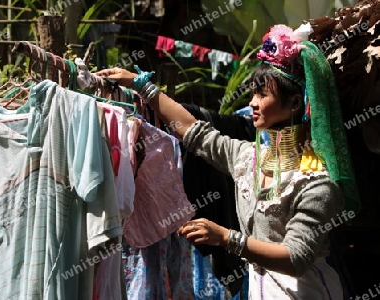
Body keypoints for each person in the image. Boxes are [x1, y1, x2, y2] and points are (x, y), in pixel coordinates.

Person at [96, 23, 361, 299]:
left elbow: (296, 257)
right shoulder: (248, 158)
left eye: (263, 94)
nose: (253, 102)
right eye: (253, 94)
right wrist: (144, 88)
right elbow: (194, 131)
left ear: (295, 103)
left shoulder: (316, 186)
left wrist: (226, 238)